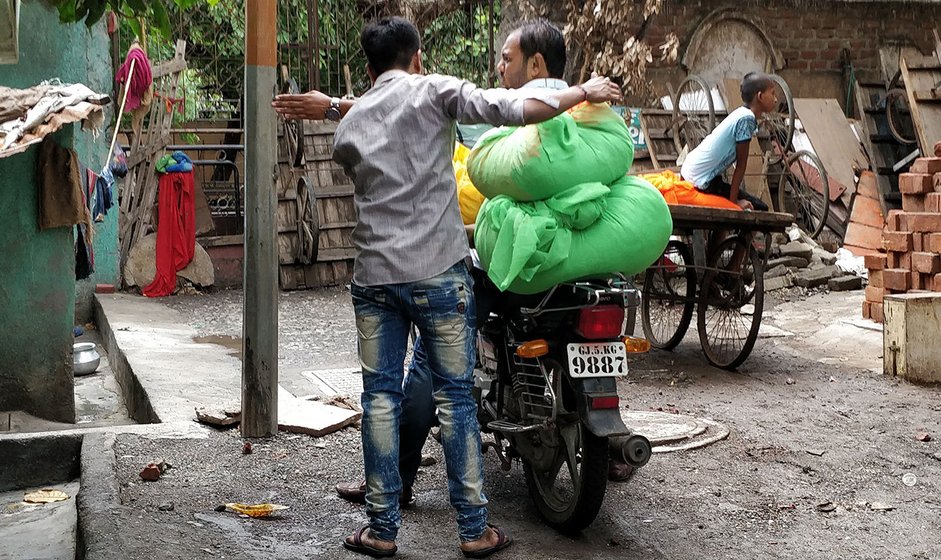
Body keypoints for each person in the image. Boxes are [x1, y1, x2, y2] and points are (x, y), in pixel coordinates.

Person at [274, 16, 621, 559]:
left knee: (380, 400)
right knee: (456, 400)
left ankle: (382, 531)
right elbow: (519, 108)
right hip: (440, 273)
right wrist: (585, 91)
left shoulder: (350, 125)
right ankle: (474, 530)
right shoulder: (437, 90)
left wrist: (339, 105)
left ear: (368, 68)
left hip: (376, 281)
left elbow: (365, 125)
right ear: (417, 58)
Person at [680, 72, 777, 211]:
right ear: (760, 96)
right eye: (772, 93)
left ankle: (722, 232)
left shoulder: (741, 113)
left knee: (740, 197)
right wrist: (734, 204)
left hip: (693, 172)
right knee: (760, 208)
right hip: (699, 181)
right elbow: (741, 166)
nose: (775, 99)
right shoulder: (746, 120)